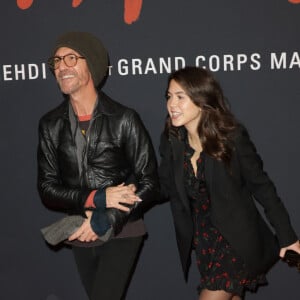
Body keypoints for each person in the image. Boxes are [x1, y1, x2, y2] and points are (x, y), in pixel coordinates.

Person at [158, 66, 300, 300]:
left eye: (180, 97)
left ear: (201, 99)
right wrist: (132, 193)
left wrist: (287, 237)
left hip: (237, 242)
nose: (172, 104)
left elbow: (262, 187)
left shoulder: (231, 136)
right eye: (169, 96)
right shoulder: (172, 141)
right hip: (205, 244)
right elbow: (163, 186)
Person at [38, 31, 159, 300]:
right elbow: (47, 188)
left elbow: (151, 181)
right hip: (80, 228)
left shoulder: (124, 118)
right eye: (57, 61)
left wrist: (106, 218)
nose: (61, 67)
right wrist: (97, 198)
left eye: (71, 58)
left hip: (123, 227)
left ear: (91, 64)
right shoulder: (50, 124)